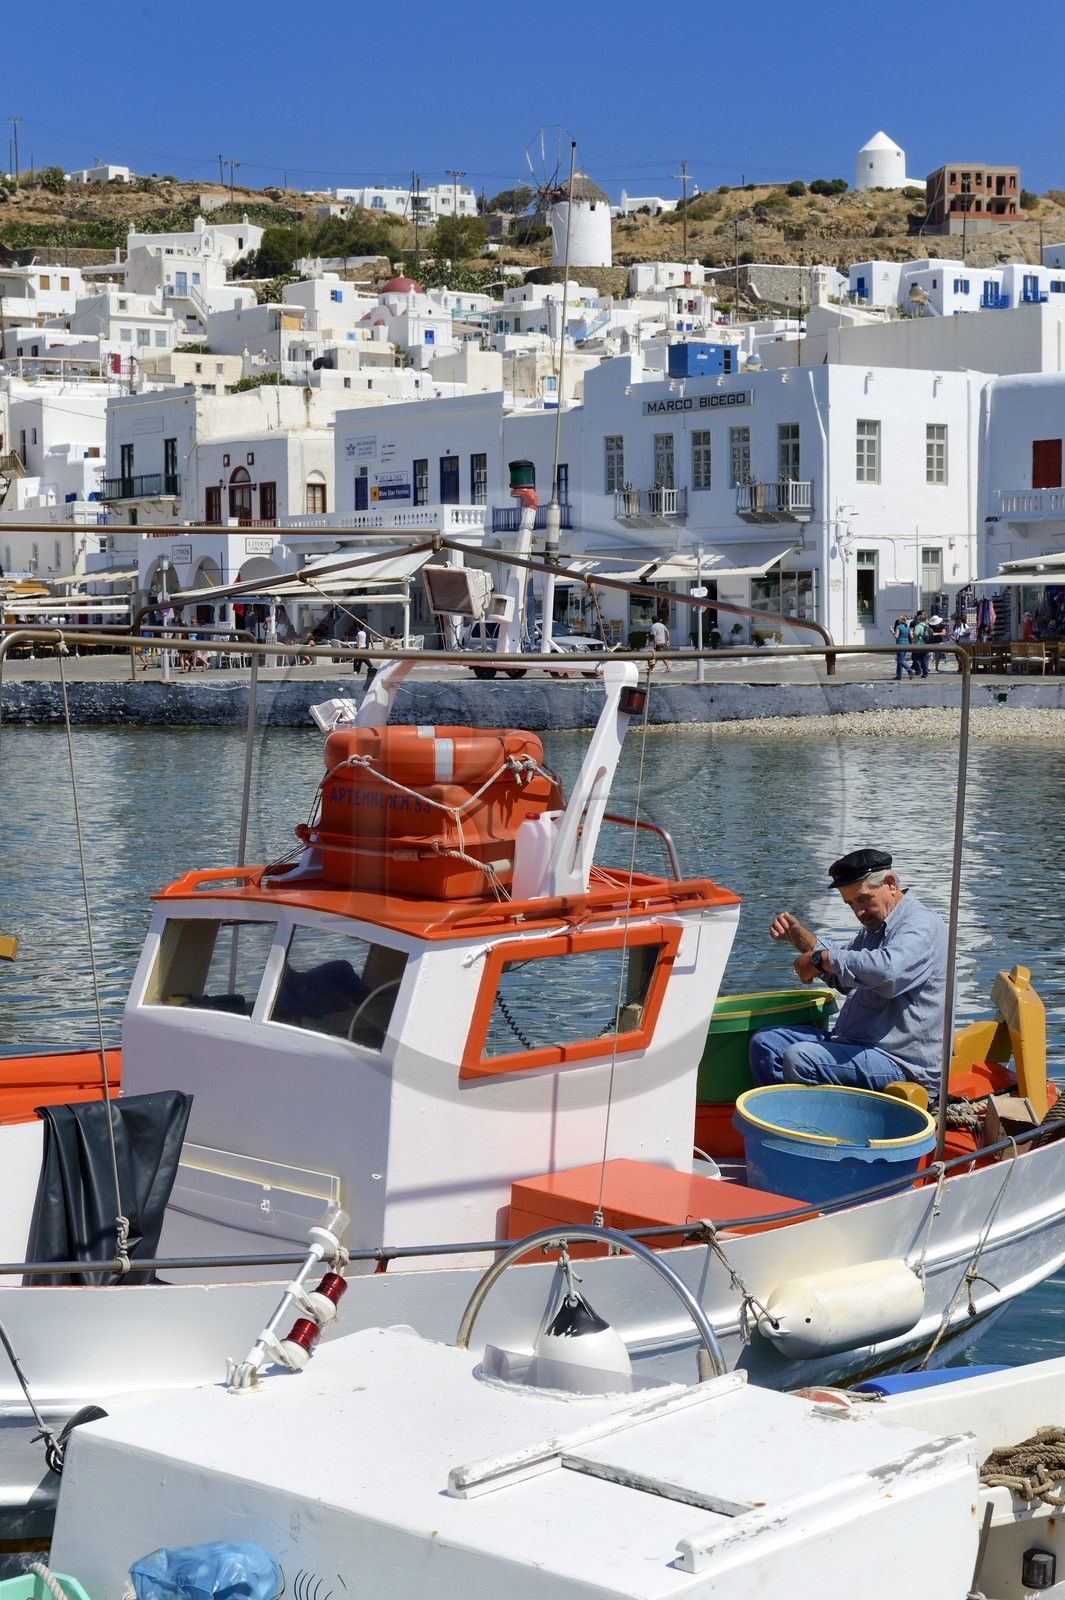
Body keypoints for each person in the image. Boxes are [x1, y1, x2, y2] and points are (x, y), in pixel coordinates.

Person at [748, 848, 948, 1094]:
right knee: (766, 1044)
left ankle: (809, 1127)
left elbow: (887, 971)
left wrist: (818, 959)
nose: (858, 913)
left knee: (801, 1058)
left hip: (900, 1062)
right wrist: (800, 938)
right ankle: (780, 1123)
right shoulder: (876, 927)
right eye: (850, 904)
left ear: (891, 884)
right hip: (857, 1045)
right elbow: (843, 976)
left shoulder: (919, 925)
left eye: (863, 899)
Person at [892, 615, 914, 680]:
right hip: (906, 644)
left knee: (900, 660)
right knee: (901, 659)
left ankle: (910, 670)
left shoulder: (898, 627)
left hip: (900, 644)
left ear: (900, 621)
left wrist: (892, 631)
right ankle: (899, 675)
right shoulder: (907, 627)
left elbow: (896, 636)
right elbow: (911, 636)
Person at [910, 610, 930, 678]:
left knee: (915, 658)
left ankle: (918, 670)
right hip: (926, 644)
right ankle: (925, 673)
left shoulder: (918, 626)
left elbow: (916, 634)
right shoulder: (927, 626)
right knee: (924, 659)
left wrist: (912, 632)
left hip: (918, 644)